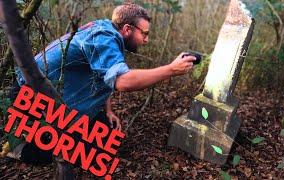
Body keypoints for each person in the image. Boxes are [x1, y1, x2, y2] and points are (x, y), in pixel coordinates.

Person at [14, 3, 195, 130]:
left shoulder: (107, 32)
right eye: (144, 34)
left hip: (46, 96)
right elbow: (122, 82)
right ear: (126, 29)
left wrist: (108, 110)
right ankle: (21, 142)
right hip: (29, 99)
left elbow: (104, 74)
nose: (146, 40)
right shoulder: (103, 37)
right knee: (84, 151)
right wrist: (171, 69)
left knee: (105, 130)